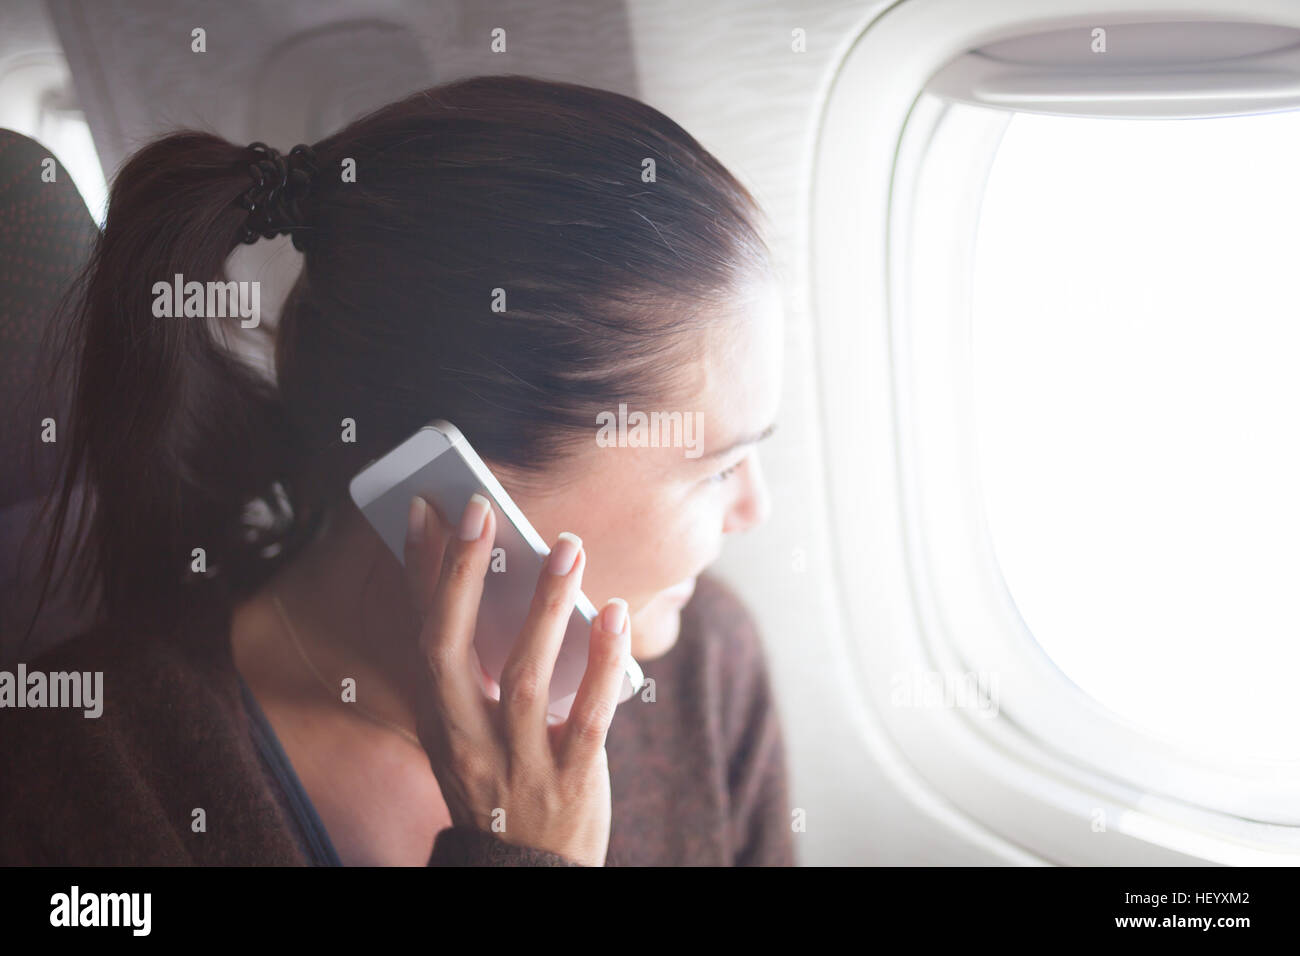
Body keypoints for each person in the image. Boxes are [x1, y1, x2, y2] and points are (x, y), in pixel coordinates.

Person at [1, 74, 792, 866]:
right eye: (717, 469)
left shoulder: (707, 667)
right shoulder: (89, 767)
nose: (756, 506)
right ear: (454, 481)